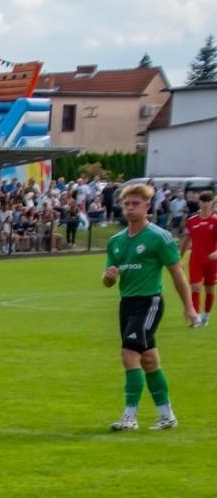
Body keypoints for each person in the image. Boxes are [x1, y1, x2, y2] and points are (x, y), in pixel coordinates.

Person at [103, 183, 196, 431]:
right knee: (149, 361)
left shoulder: (159, 237)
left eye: (136, 204)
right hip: (127, 304)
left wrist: (189, 307)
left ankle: (129, 417)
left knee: (129, 354)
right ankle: (167, 416)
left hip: (150, 302)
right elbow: (108, 280)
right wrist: (109, 277)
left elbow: (177, 273)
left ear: (147, 206)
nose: (130, 208)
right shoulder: (116, 241)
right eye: (127, 204)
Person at [179, 189, 216, 328]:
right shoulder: (192, 220)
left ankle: (206, 316)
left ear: (212, 202)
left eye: (208, 201)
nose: (205, 204)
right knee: (195, 287)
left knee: (209, 290)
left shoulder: (215, 220)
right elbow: (186, 240)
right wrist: (179, 258)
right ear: (199, 202)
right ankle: (196, 318)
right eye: (203, 201)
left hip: (212, 261)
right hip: (196, 259)